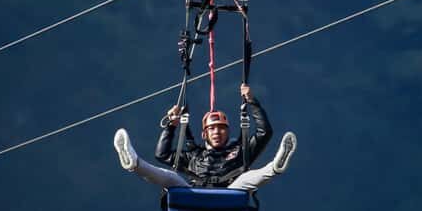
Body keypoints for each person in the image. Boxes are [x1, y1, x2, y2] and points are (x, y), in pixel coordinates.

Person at [113, 83, 296, 191]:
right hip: (195, 194)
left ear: (228, 131)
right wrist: (172, 126)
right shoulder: (194, 156)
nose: (217, 133)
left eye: (221, 129)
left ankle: (275, 167)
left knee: (249, 178)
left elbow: (265, 133)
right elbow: (162, 154)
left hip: (231, 191)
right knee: (171, 178)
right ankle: (133, 163)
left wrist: (252, 102)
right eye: (213, 129)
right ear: (204, 134)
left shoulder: (240, 152)